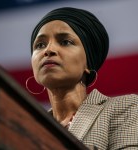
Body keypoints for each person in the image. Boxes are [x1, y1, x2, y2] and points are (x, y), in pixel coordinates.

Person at [29, 7, 138, 149]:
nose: (48, 50)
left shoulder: (125, 107)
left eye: (65, 42)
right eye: (40, 45)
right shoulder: (28, 128)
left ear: (88, 61)